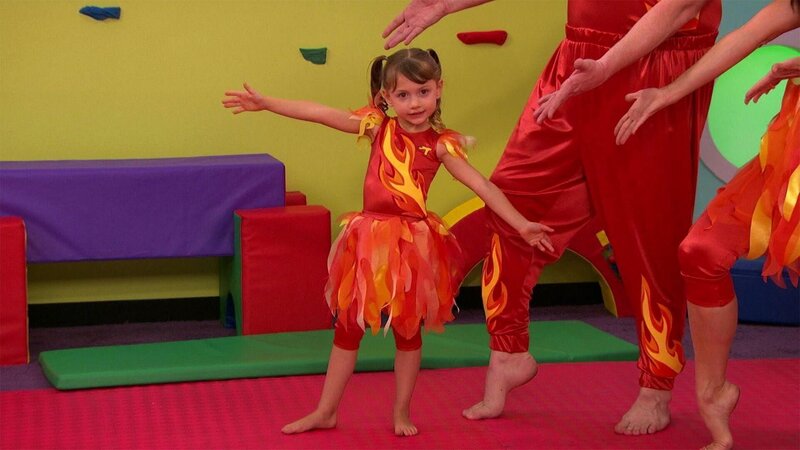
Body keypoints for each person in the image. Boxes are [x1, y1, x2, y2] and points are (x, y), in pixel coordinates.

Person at [384, 0, 721, 435]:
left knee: (648, 231)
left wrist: (607, 66)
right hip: (578, 58)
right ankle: (509, 351)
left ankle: (657, 384)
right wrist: (449, 4)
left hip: (656, 65)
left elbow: (680, 7)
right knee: (514, 200)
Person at [222, 48, 555, 436]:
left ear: (439, 89)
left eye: (423, 92)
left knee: (407, 333)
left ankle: (401, 412)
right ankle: (326, 411)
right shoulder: (378, 127)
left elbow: (482, 185)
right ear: (386, 97)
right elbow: (320, 113)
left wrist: (522, 224)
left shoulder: (441, 145)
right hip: (367, 241)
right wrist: (267, 103)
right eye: (403, 95)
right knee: (348, 328)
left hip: (411, 247)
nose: (415, 104)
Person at [604, 2, 799, 447]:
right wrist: (666, 93)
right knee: (701, 252)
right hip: (791, 153)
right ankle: (713, 394)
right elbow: (741, 38)